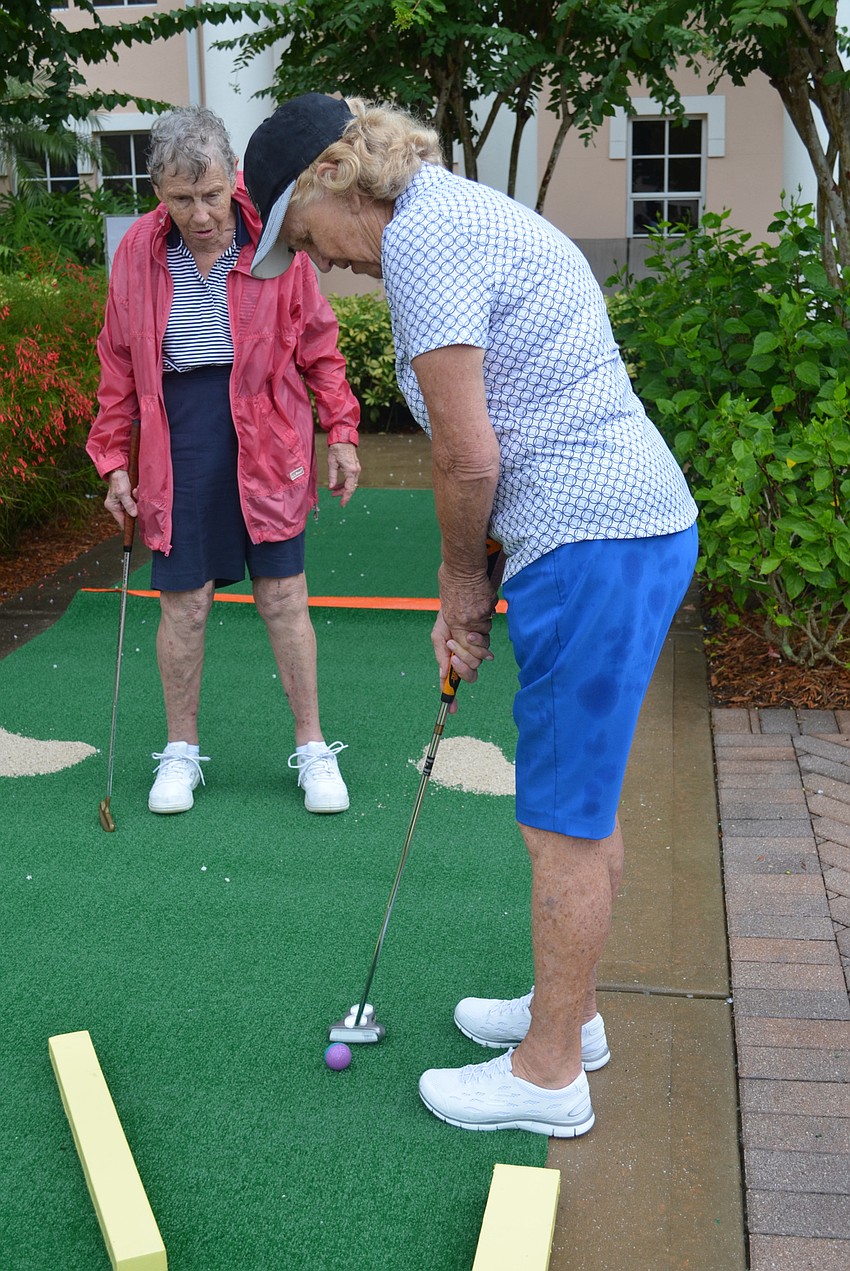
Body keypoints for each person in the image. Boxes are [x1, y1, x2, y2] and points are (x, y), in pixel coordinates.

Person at [243, 94, 699, 1136]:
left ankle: (546, 1078)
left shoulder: (423, 242)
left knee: (560, 822)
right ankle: (564, 1015)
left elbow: (467, 453)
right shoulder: (451, 214)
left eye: (301, 237)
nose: (316, 262)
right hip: (620, 533)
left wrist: (459, 590)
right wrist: (482, 587)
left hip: (595, 544)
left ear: (328, 180)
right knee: (581, 796)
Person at [88, 105, 361, 818]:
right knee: (185, 604)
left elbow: (318, 343)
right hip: (180, 435)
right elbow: (117, 360)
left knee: (282, 596)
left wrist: (344, 430)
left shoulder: (272, 238)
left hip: (268, 430)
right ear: (158, 191)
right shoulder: (139, 255)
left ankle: (311, 746)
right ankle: (181, 750)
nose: (201, 213)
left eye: (211, 193)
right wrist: (114, 455)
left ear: (231, 177)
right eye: (182, 198)